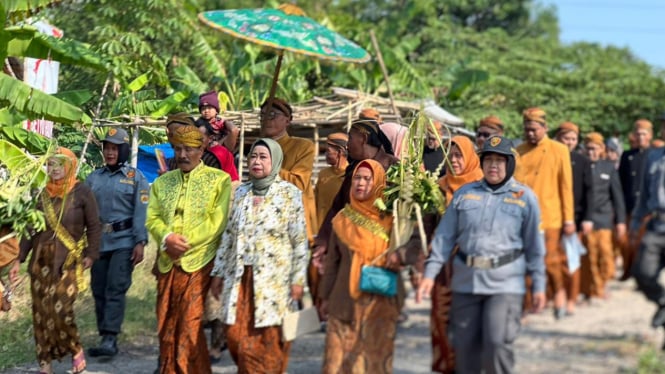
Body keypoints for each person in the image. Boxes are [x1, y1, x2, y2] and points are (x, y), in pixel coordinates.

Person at [417, 136, 546, 374]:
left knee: (497, 344)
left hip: (505, 283)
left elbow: (535, 247)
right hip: (467, 282)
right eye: (488, 160)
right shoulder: (464, 194)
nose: (493, 165)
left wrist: (538, 285)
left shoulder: (525, 197)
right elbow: (444, 237)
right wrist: (430, 274)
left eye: (499, 160)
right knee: (464, 348)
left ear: (509, 164)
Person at [209, 138, 309, 373]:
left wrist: (298, 280)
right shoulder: (241, 191)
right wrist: (218, 273)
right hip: (241, 279)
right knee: (235, 337)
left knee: (269, 339)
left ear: (274, 162)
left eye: (263, 157)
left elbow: (299, 241)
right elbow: (229, 235)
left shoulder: (289, 194)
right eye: (253, 156)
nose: (256, 161)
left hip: (274, 282)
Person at [146, 121, 232, 374]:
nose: (183, 155)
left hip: (199, 262)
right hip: (166, 261)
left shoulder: (219, 180)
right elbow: (152, 218)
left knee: (188, 325)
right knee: (165, 323)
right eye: (178, 149)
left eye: (189, 149)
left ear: (202, 148)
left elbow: (216, 222)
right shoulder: (163, 182)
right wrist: (166, 238)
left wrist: (185, 242)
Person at [11, 147, 101, 374]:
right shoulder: (42, 194)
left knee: (62, 311)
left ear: (70, 165)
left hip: (67, 262)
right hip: (40, 262)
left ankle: (75, 348)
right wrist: (17, 260)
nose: (55, 169)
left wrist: (91, 254)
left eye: (59, 164)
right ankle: (45, 363)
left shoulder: (82, 192)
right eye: (50, 164)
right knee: (41, 313)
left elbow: (94, 226)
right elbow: (31, 230)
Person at [319, 159, 404, 373]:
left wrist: (399, 256)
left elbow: (407, 252)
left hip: (379, 304)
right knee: (336, 363)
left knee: (373, 362)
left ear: (378, 184)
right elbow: (332, 263)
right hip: (344, 300)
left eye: (368, 179)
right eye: (357, 177)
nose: (361, 183)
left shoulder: (392, 220)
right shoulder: (341, 220)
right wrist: (324, 297)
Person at [85, 128, 150, 357]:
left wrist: (140, 241)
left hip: (124, 241)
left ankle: (110, 338)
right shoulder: (93, 178)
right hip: (98, 243)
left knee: (115, 286)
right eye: (107, 148)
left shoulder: (136, 178)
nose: (110, 153)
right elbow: (84, 211)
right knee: (98, 288)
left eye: (114, 148)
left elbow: (141, 211)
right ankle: (104, 334)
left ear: (123, 150)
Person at [514, 107, 574, 320]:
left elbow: (566, 187)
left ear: (545, 128)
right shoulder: (518, 151)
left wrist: (569, 219)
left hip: (551, 216)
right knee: (523, 260)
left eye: (534, 129)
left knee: (551, 261)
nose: (530, 133)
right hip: (523, 217)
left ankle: (559, 294)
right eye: (527, 129)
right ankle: (528, 304)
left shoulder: (559, 150)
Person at [313, 118, 398, 268]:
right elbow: (338, 207)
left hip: (380, 250)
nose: (347, 144)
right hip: (348, 245)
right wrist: (324, 241)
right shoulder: (355, 170)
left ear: (363, 139)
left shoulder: (393, 168)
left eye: (350, 138)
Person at [431, 135, 484, 373]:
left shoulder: (484, 187)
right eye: (450, 155)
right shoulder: (438, 188)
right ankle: (448, 367)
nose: (454, 160)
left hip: (474, 266)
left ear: (471, 157)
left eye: (459, 154)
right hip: (444, 267)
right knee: (442, 319)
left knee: (471, 322)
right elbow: (428, 226)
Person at [629, 130, 665, 349]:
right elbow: (643, 194)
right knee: (641, 272)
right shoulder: (653, 156)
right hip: (656, 224)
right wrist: (635, 224)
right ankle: (663, 303)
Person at [554, 121, 594, 315]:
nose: (569, 142)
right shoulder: (551, 157)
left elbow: (589, 192)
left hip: (575, 219)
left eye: (573, 139)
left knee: (572, 260)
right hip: (552, 217)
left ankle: (572, 298)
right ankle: (557, 295)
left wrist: (587, 218)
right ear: (558, 138)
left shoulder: (582, 161)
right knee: (553, 261)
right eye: (566, 138)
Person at [580, 132, 626, 301]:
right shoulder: (580, 166)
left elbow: (617, 196)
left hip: (605, 218)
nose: (591, 152)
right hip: (586, 219)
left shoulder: (608, 167)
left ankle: (603, 283)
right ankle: (593, 290)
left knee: (606, 255)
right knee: (589, 256)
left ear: (602, 149)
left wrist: (620, 221)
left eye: (595, 148)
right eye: (589, 148)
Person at [618, 119, 653, 280]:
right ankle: (627, 270)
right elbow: (620, 183)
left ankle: (643, 273)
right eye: (637, 134)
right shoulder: (627, 155)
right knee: (626, 242)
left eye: (643, 134)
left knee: (644, 242)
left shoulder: (655, 155)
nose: (640, 137)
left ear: (650, 136)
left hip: (648, 207)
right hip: (630, 205)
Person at [315, 133, 349, 233]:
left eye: (328, 151)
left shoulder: (350, 175)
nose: (325, 154)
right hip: (320, 229)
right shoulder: (323, 174)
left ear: (340, 152)